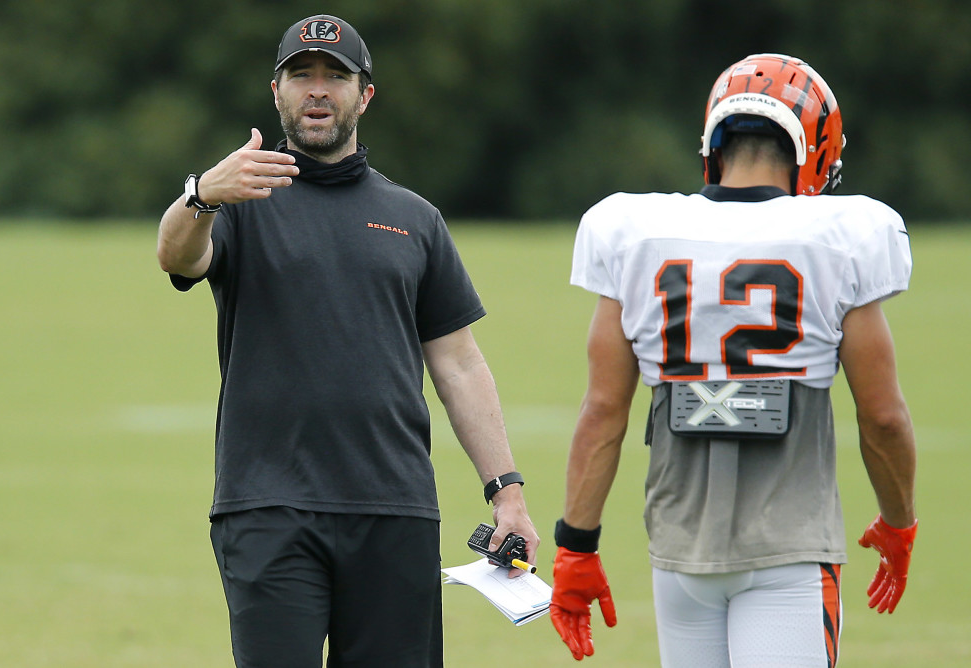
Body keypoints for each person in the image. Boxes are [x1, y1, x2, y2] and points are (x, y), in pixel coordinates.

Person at [156, 14, 538, 667]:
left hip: (396, 509)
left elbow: (459, 365)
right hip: (268, 506)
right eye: (301, 74)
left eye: (336, 76)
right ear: (275, 90)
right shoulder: (238, 203)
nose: (317, 89)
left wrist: (507, 493)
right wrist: (201, 195)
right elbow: (176, 257)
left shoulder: (414, 219)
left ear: (364, 96)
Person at [550, 53, 917, 667]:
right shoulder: (842, 234)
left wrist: (576, 546)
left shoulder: (636, 231)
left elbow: (604, 412)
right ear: (815, 148)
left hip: (679, 554)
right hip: (788, 551)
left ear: (714, 143)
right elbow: (882, 418)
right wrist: (898, 521)